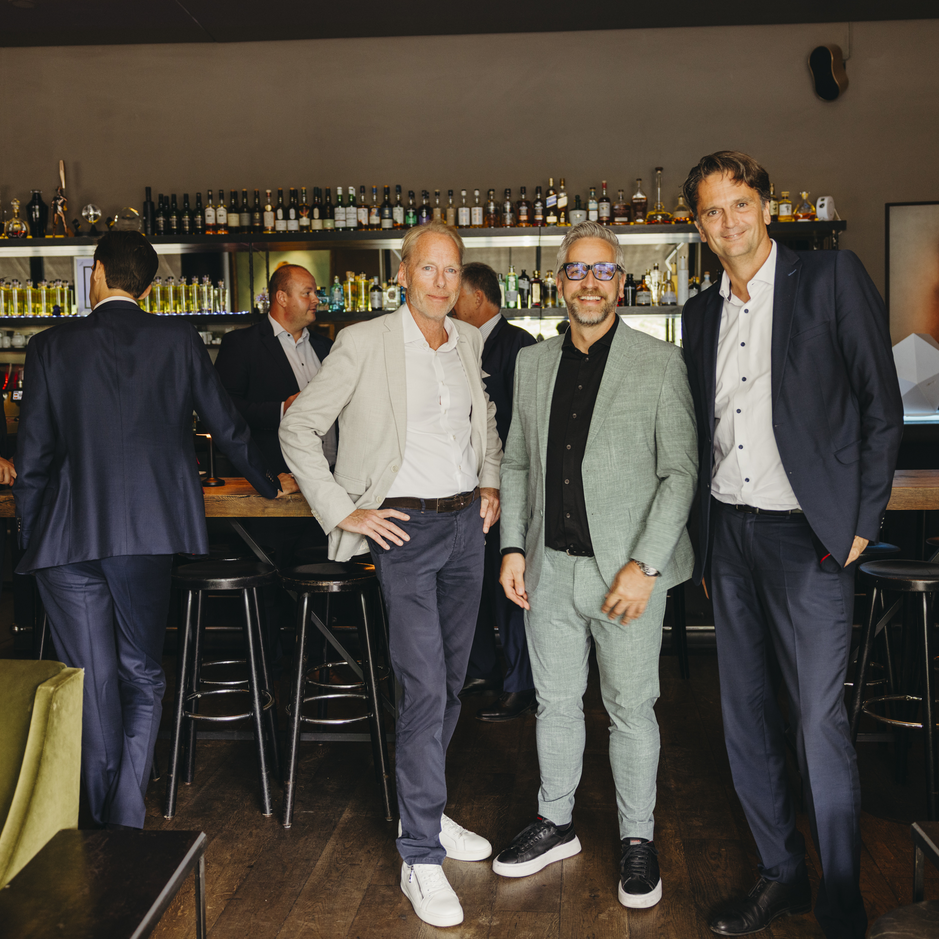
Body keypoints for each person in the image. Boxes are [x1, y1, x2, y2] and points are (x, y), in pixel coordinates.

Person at [679, 151, 903, 939]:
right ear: (698, 226)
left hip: (807, 537)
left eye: (738, 204)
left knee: (815, 721)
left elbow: (881, 404)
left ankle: (841, 896)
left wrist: (860, 521)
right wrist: (703, 543)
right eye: (711, 211)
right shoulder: (699, 312)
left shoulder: (830, 279)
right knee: (743, 716)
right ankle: (782, 876)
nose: (727, 222)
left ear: (766, 207)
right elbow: (700, 432)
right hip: (728, 536)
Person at [13, 231, 293, 831]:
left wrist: (30, 544)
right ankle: (123, 820)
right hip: (147, 531)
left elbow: (32, 460)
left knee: (90, 682)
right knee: (141, 673)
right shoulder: (177, 339)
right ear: (146, 283)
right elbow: (226, 424)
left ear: (99, 274)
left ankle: (93, 824)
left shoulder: (49, 347)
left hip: (64, 541)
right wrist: (269, 483)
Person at [279, 220, 503, 928]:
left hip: (466, 526)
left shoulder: (466, 340)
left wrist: (490, 480)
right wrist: (344, 510)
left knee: (452, 681)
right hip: (402, 529)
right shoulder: (364, 342)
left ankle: (426, 812)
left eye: (451, 271)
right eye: (427, 269)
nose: (441, 282)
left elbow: (485, 423)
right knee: (423, 683)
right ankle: (417, 854)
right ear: (402, 272)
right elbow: (298, 427)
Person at [495, 221, 698, 910]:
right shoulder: (530, 364)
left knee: (629, 708)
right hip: (549, 565)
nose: (589, 283)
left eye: (603, 271)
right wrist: (513, 548)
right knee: (553, 703)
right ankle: (555, 822)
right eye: (576, 271)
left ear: (621, 282)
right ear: (559, 282)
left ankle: (636, 838)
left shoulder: (658, 363)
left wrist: (645, 565)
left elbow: (679, 473)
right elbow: (517, 460)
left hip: (627, 576)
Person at [215, 264, 334, 655]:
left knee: (318, 576)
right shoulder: (243, 344)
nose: (316, 300)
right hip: (271, 486)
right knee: (269, 579)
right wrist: (280, 409)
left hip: (324, 487)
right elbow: (223, 410)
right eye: (307, 292)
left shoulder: (324, 346)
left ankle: (315, 661)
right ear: (280, 298)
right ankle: (270, 669)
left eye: (315, 293)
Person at [451, 261, 537, 721]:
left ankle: (521, 683)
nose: (448, 299)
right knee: (475, 583)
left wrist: (503, 485)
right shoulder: (454, 344)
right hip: (463, 488)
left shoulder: (518, 344)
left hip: (506, 487)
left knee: (511, 587)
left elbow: (522, 428)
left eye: (456, 292)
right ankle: (481, 668)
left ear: (478, 298)